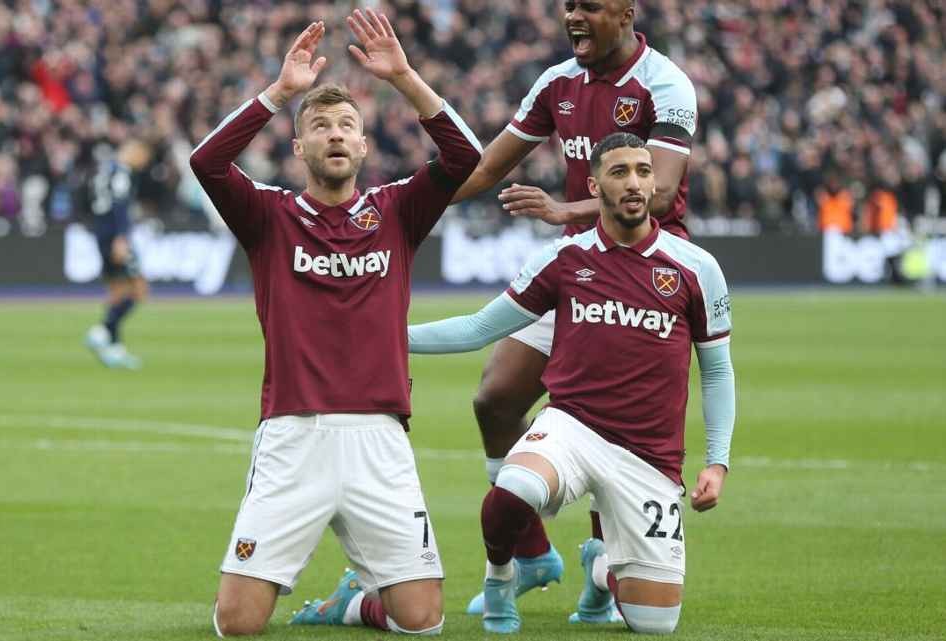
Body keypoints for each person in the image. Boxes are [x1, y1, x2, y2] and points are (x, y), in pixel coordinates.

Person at [188, 12, 481, 636]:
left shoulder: (398, 210)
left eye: (348, 125)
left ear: (365, 145)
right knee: (236, 625)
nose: (336, 135)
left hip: (379, 437)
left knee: (422, 622)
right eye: (320, 127)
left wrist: (404, 77)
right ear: (300, 149)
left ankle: (355, 602)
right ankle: (333, 587)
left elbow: (466, 155)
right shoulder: (269, 216)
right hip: (293, 437)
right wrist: (280, 92)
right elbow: (206, 162)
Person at [408, 133, 735, 634]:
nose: (634, 183)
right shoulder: (564, 260)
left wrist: (717, 460)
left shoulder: (696, 268)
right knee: (515, 486)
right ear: (593, 183)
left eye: (644, 171)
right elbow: (478, 329)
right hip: (573, 429)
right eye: (620, 171)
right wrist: (384, 335)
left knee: (655, 624)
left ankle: (601, 571)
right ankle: (500, 575)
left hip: (650, 457)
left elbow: (716, 369)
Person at [447, 0, 700, 618]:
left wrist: (565, 212)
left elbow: (660, 192)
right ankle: (534, 553)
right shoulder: (556, 82)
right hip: (577, 266)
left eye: (589, 5)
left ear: (626, 12)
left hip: (647, 272)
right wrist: (405, 206)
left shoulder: (665, 83)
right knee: (496, 397)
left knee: (602, 415)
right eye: (568, 6)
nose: (573, 16)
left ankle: (603, 557)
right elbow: (487, 165)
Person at [84, 140, 152, 369]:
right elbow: (119, 206)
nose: (143, 163)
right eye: (143, 156)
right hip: (116, 237)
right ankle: (102, 331)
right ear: (134, 151)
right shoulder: (122, 173)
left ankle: (114, 347)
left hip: (101, 232)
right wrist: (122, 237)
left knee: (116, 292)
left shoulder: (105, 169)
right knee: (139, 289)